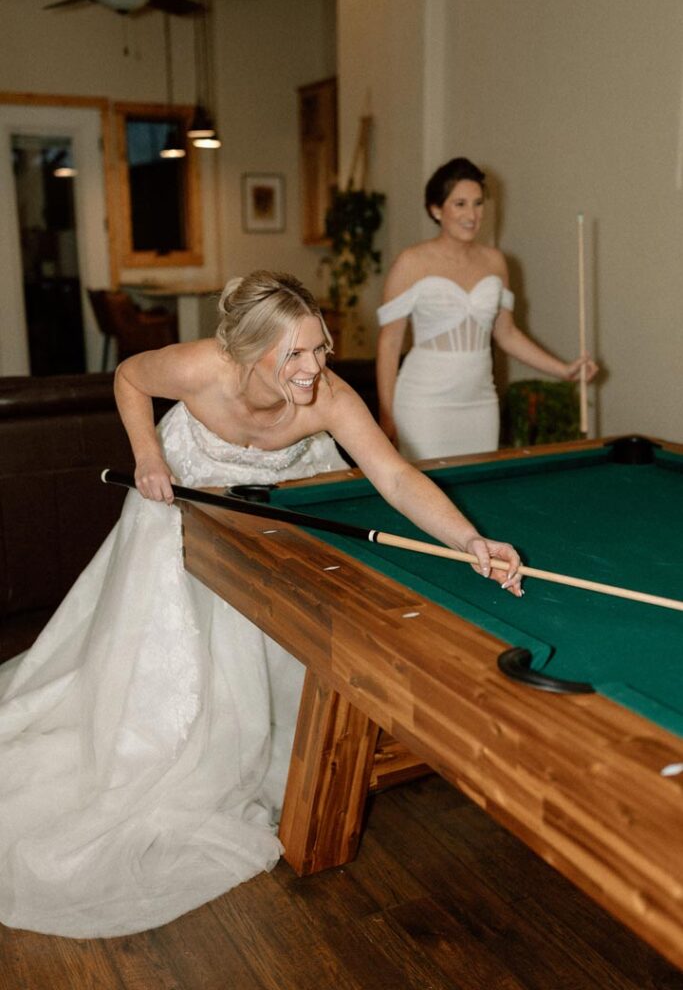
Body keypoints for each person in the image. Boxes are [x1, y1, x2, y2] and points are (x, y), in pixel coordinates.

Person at [0, 271, 521, 940]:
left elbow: (393, 475)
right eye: (295, 355)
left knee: (273, 640)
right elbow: (128, 377)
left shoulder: (327, 396)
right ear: (248, 355)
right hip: (184, 498)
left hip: (277, 506)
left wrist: (470, 540)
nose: (314, 369)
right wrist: (147, 454)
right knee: (173, 655)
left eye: (320, 349)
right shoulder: (197, 366)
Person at [376, 157, 598, 460]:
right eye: (460, 204)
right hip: (423, 404)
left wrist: (565, 370)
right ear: (436, 209)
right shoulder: (412, 262)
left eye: (478, 203)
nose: (472, 215)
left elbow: (506, 335)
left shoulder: (495, 262)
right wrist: (387, 416)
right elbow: (389, 343)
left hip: (480, 403)